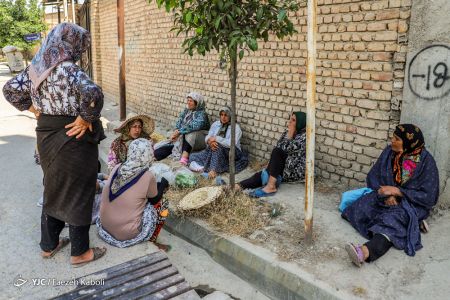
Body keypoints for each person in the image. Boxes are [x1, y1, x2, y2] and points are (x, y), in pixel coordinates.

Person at [2, 23, 106, 266]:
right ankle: (80, 252)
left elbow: (10, 90)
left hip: (46, 136)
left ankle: (49, 246)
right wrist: (85, 118)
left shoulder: (36, 69)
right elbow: (94, 94)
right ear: (73, 43)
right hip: (74, 135)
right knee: (80, 190)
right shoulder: (69, 69)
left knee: (53, 186)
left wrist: (35, 110)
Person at [342, 124, 439, 267]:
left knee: (391, 221)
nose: (392, 140)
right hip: (386, 198)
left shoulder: (426, 162)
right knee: (359, 207)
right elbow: (373, 176)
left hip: (412, 203)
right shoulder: (389, 152)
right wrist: (387, 196)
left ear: (408, 143)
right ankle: (415, 224)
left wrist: (398, 191)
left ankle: (364, 252)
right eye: (393, 137)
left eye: (397, 139)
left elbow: (430, 196)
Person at [97, 139, 170, 250]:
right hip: (125, 234)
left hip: (104, 225)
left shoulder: (118, 167)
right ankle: (152, 240)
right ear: (148, 154)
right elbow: (155, 199)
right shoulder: (147, 175)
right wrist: (163, 183)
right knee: (162, 203)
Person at [235, 112, 307, 198]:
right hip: (281, 167)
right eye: (290, 119)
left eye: (293, 120)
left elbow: (286, 150)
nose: (289, 122)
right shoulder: (287, 132)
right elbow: (278, 145)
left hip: (292, 170)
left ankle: (271, 187)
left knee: (277, 152)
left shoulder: (304, 137)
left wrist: (289, 136)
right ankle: (238, 186)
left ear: (300, 123)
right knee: (263, 174)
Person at [188, 106, 248, 178]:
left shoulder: (235, 128)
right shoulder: (216, 124)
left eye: (226, 115)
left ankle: (213, 171)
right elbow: (208, 137)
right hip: (213, 148)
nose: (223, 117)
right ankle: (203, 168)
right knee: (192, 156)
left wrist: (216, 139)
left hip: (232, 152)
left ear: (230, 117)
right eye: (221, 115)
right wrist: (210, 142)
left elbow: (231, 144)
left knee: (218, 147)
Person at [154, 92, 209, 163]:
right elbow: (179, 121)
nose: (188, 103)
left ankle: (184, 158)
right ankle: (157, 155)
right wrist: (177, 130)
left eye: (191, 101)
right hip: (184, 138)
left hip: (199, 140)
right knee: (168, 147)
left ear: (197, 103)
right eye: (188, 100)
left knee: (190, 134)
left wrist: (179, 132)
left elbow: (194, 126)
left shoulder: (202, 114)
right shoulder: (187, 111)